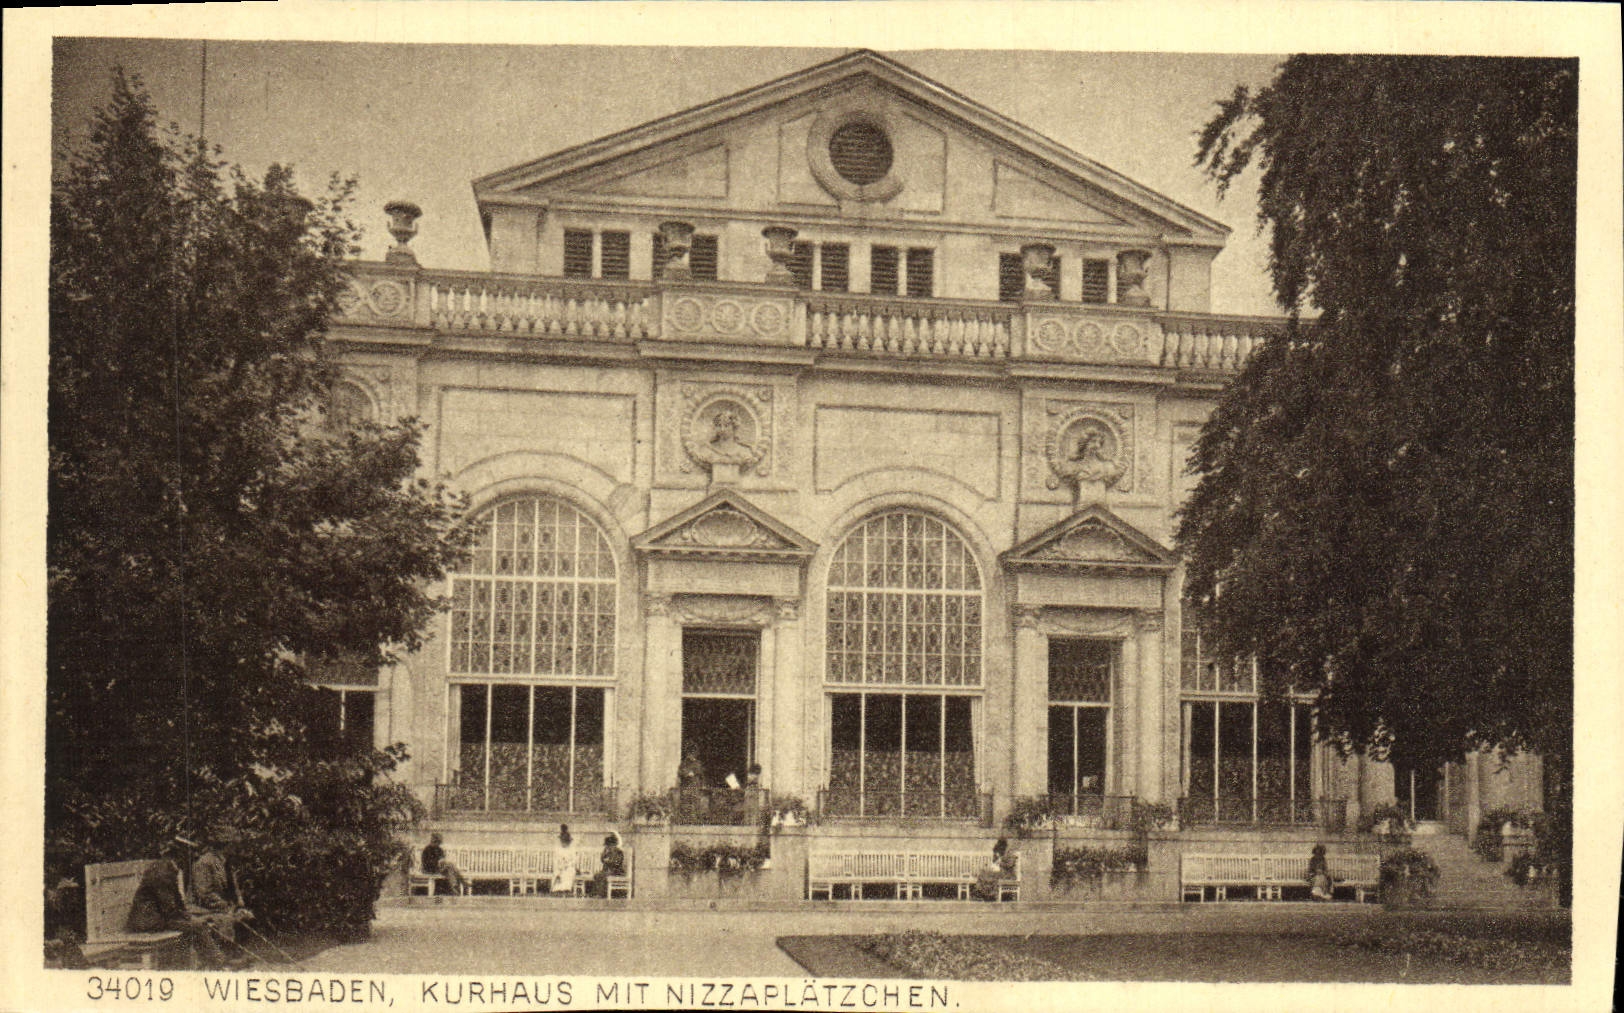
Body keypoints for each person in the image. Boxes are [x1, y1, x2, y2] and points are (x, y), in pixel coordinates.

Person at [127, 842, 226, 969]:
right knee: (198, 927)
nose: (189, 862)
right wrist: (190, 919)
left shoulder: (168, 868)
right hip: (148, 921)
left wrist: (188, 916)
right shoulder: (161, 872)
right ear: (180, 857)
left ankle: (209, 964)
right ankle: (217, 964)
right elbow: (169, 908)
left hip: (158, 917)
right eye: (187, 857)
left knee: (198, 924)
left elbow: (177, 901)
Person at [590, 834, 626, 898]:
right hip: (608, 870)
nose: (608, 847)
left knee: (603, 875)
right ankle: (597, 893)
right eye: (607, 846)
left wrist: (609, 861)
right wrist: (604, 854)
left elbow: (617, 863)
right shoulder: (607, 852)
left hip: (616, 871)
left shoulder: (618, 852)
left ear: (614, 845)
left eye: (609, 846)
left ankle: (601, 894)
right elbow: (602, 859)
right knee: (597, 875)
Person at [550, 824, 576, 895]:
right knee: (557, 872)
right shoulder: (558, 849)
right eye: (562, 841)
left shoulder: (571, 850)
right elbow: (555, 859)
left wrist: (567, 865)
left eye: (565, 842)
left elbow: (573, 860)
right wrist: (560, 865)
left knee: (569, 872)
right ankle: (557, 889)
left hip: (568, 867)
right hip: (559, 867)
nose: (564, 843)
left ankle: (566, 889)